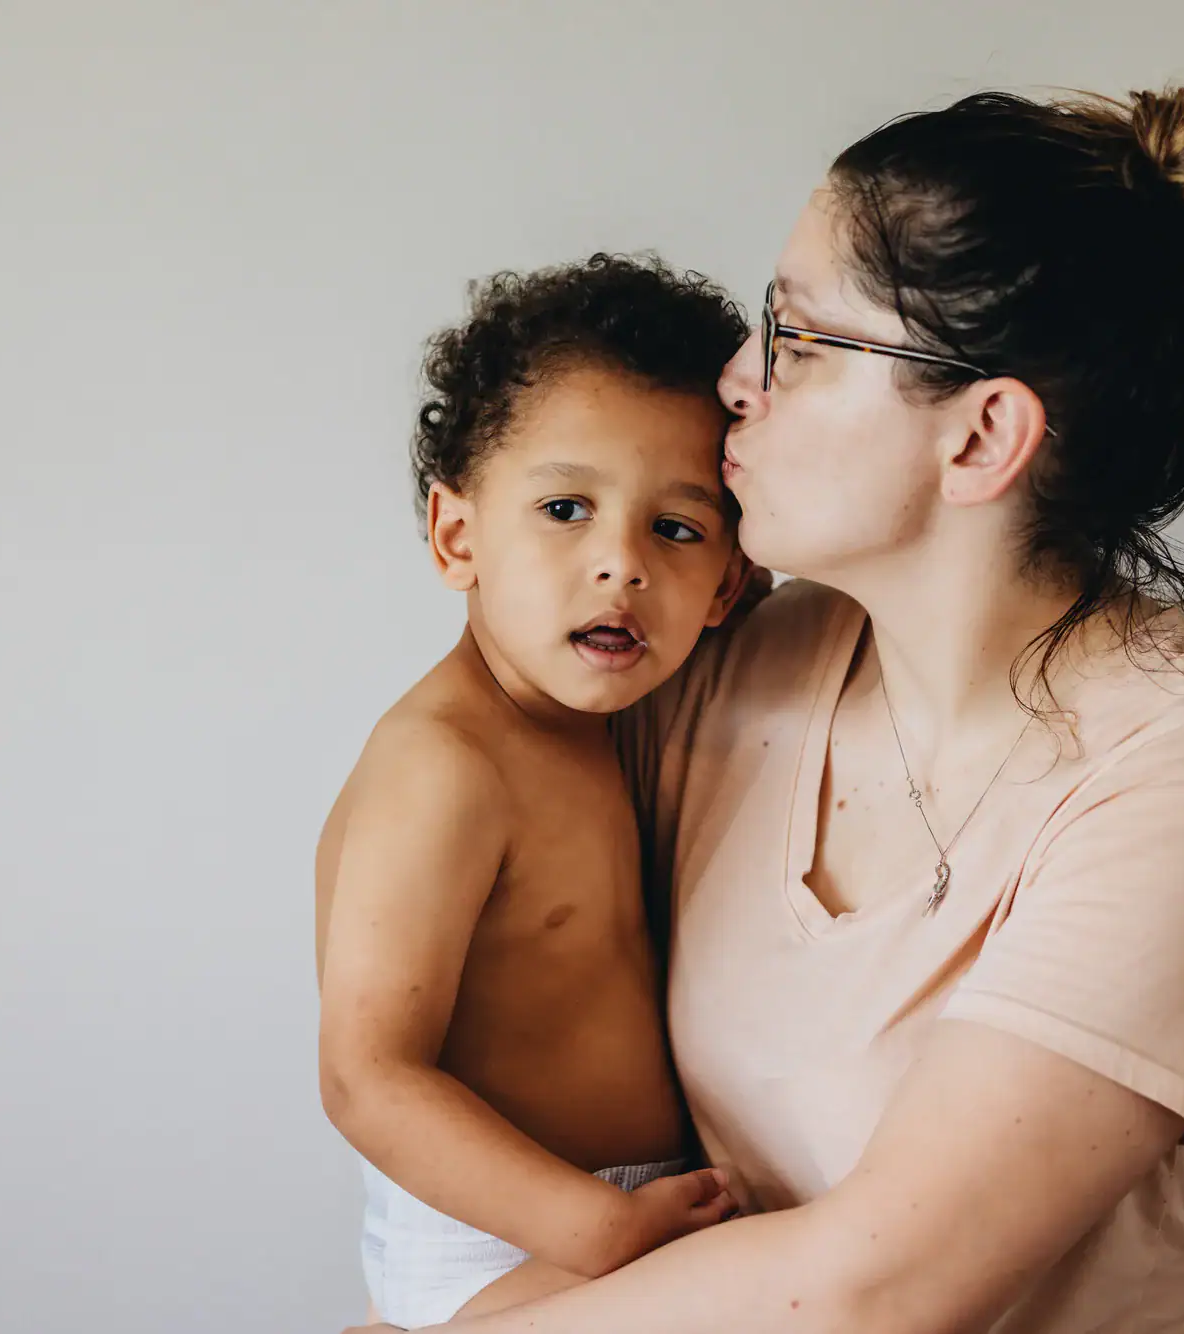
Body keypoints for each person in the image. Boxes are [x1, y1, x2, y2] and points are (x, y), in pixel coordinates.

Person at [345, 84, 1184, 1333]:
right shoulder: (727, 672)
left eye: (799, 340)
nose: (737, 381)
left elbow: (872, 1292)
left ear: (982, 436)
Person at [314, 254, 757, 1329]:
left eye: (677, 528)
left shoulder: (600, 726)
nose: (621, 563)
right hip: (508, 1232)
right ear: (456, 535)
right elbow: (366, 1073)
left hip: (592, 1209)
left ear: (727, 586)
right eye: (565, 507)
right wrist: (588, 1227)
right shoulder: (445, 764)